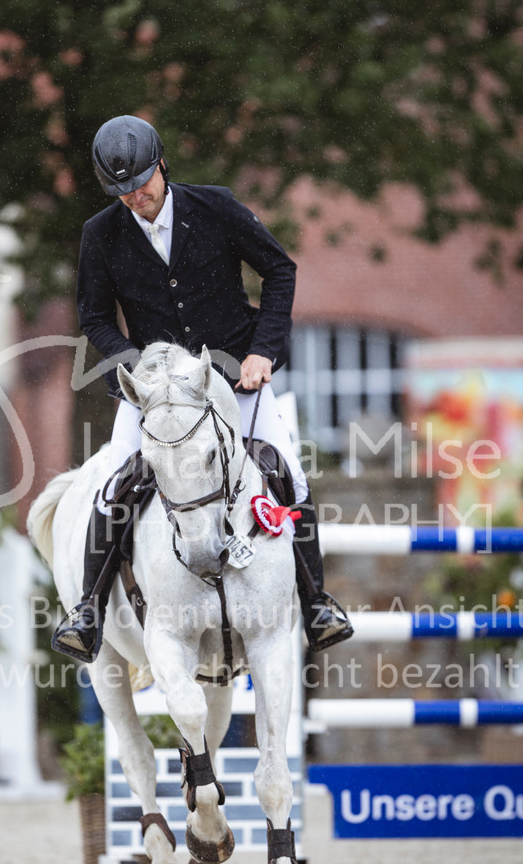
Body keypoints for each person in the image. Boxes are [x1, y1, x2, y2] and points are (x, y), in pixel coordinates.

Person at [53, 114, 352, 662]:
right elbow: (94, 316)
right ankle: (88, 613)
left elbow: (279, 270)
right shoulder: (101, 234)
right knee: (115, 483)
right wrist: (136, 366)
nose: (134, 197)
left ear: (162, 164)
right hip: (157, 397)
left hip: (236, 378)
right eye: (121, 191)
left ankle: (317, 604)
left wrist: (264, 351)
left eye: (141, 183)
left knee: (289, 473)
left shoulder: (215, 207)